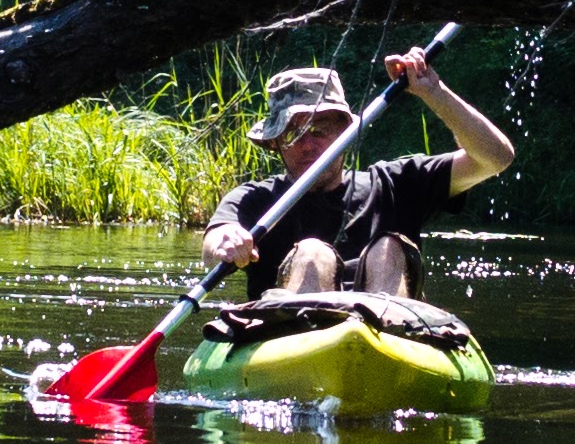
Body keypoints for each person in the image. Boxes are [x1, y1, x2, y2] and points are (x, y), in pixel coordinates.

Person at [202, 48, 515, 299]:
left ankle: (384, 337)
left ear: (346, 132)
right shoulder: (255, 200)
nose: (306, 145)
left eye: (320, 130)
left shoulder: (395, 184)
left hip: (388, 334)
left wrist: (435, 92)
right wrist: (224, 242)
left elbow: (495, 158)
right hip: (295, 334)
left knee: (388, 248)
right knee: (313, 254)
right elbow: (215, 243)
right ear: (275, 143)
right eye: (291, 134)